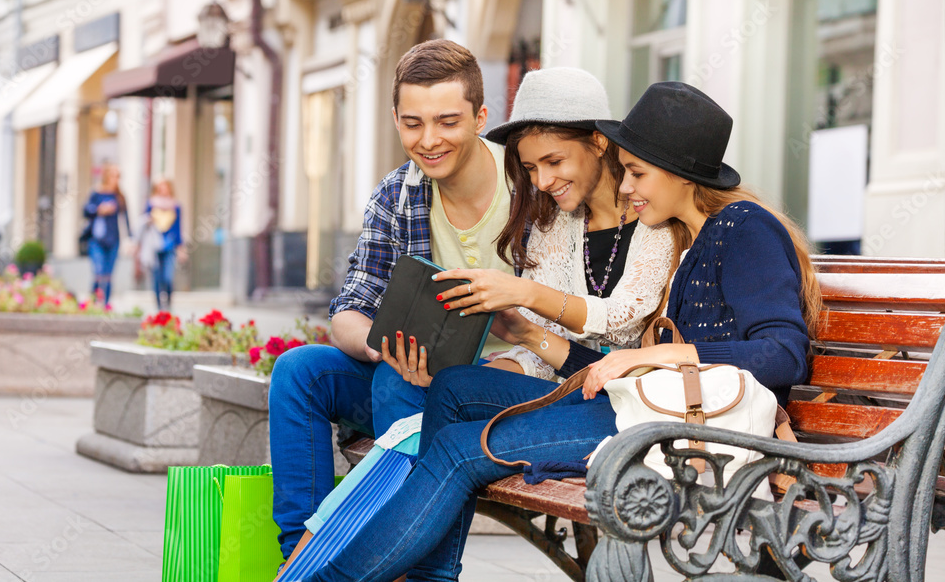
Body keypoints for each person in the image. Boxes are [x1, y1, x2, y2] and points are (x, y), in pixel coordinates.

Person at [298, 81, 823, 582]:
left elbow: (783, 354)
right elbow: (612, 373)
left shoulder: (745, 227)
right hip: (639, 410)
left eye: (637, 173)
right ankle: (429, 571)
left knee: (462, 449)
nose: (625, 187)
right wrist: (527, 334)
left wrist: (657, 356)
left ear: (682, 174)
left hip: (684, 431)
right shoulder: (690, 241)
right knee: (455, 387)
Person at [268, 39, 523, 560]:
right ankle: (301, 558)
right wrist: (378, 345)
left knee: (403, 385)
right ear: (396, 119)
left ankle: (408, 566)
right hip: (411, 382)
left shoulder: (530, 186)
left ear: (480, 116)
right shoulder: (398, 192)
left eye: (448, 121)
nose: (429, 140)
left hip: (509, 389)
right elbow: (351, 306)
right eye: (412, 123)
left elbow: (567, 325)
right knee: (300, 371)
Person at [404, 67, 677, 384]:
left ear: (600, 142)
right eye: (530, 168)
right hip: (568, 389)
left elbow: (622, 321)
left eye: (555, 161)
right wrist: (460, 381)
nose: (542, 182)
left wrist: (523, 291)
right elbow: (541, 348)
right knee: (449, 387)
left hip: (633, 401)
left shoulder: (655, 214)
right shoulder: (554, 224)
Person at [82, 163, 131, 304]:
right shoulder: (96, 193)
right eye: (113, 175)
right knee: (98, 272)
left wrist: (130, 239)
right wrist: (99, 209)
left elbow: (126, 218)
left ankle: (106, 305)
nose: (116, 179)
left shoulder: (120, 196)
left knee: (109, 274)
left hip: (113, 239)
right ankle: (93, 301)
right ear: (106, 176)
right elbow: (85, 210)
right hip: (96, 239)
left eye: (118, 176)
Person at [138, 177, 184, 311]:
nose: (163, 189)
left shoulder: (176, 206)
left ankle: (168, 304)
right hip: (154, 246)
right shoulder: (151, 204)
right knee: (156, 278)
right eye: (160, 187)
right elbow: (142, 226)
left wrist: (181, 248)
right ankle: (159, 307)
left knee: (168, 277)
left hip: (169, 246)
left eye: (165, 186)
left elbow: (178, 229)